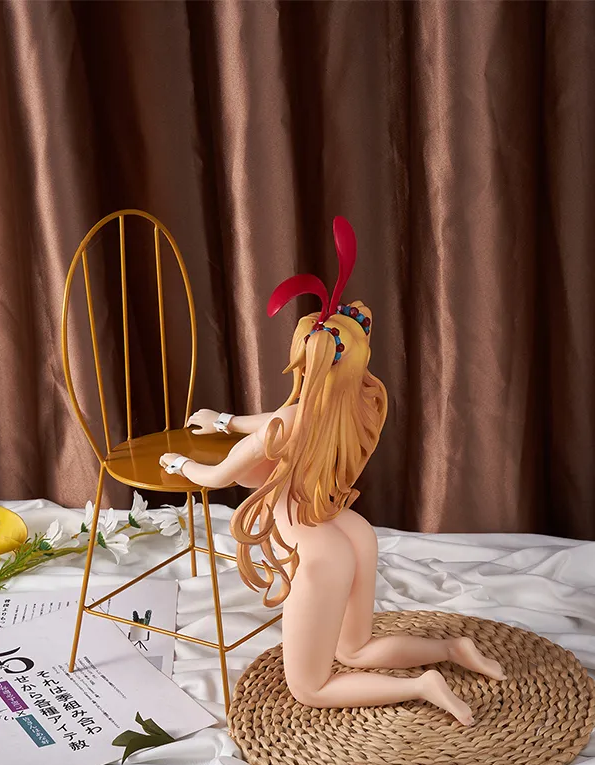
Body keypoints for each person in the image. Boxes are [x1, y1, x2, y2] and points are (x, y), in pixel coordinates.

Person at [160, 218, 504, 724]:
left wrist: (181, 462)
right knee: (354, 649)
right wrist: (225, 420)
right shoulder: (360, 406)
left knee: (309, 688)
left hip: (321, 556)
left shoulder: (287, 424)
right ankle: (452, 649)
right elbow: (276, 420)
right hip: (352, 532)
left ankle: (422, 685)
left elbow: (217, 476)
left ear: (306, 364)